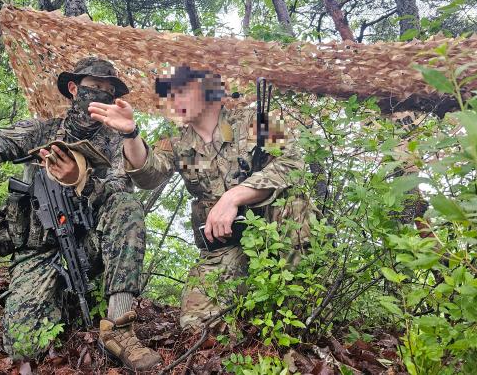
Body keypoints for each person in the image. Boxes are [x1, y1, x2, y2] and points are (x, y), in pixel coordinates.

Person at [0, 57, 162, 371]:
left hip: (88, 248)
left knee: (128, 208)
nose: (100, 93)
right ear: (73, 88)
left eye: (108, 89)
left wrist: (81, 181)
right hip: (38, 252)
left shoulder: (115, 142)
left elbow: (121, 195)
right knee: (24, 346)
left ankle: (119, 327)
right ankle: (55, 300)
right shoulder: (41, 130)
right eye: (93, 87)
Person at [89, 65, 314, 330]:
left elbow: (293, 162)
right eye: (170, 96)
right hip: (224, 245)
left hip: (272, 234)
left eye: (182, 91)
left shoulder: (256, 119)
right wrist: (130, 133)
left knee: (294, 201)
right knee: (197, 328)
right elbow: (148, 175)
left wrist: (233, 197)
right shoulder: (175, 140)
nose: (174, 101)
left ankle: (297, 320)